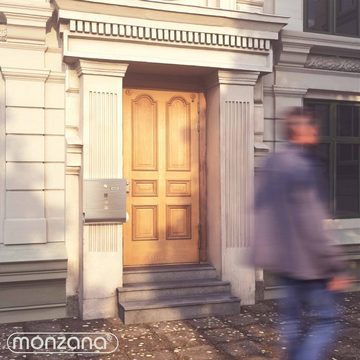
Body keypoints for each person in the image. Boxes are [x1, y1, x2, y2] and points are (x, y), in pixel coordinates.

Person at [251, 107, 350, 360]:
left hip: (283, 261)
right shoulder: (303, 166)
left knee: (291, 320)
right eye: (313, 127)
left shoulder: (273, 162)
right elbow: (313, 223)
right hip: (311, 263)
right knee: (326, 320)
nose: (317, 132)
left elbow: (260, 210)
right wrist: (336, 267)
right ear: (300, 131)